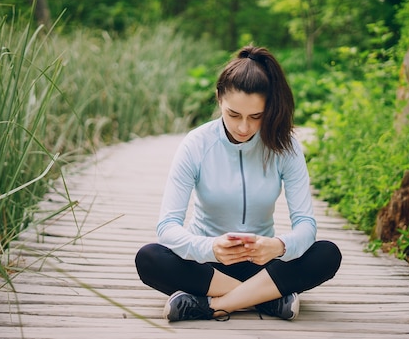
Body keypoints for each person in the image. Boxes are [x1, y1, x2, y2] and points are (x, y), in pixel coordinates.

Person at [135, 45, 342, 322]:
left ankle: (210, 306)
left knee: (327, 254)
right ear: (219, 98)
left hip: (264, 265)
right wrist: (210, 248)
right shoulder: (196, 144)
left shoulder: (285, 146)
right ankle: (267, 299)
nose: (244, 127)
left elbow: (306, 224)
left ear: (269, 108)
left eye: (256, 117)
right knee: (149, 258)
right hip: (208, 266)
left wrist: (278, 246)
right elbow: (167, 227)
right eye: (234, 115)